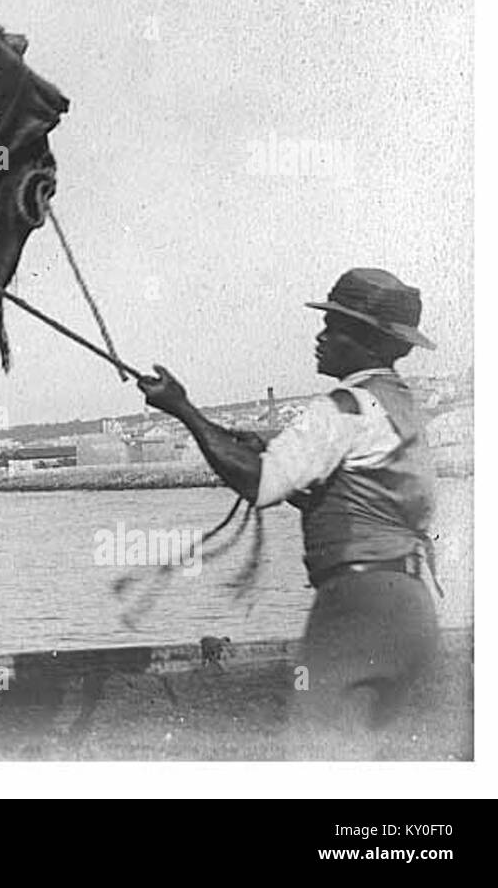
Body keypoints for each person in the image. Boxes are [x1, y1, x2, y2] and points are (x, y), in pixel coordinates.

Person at [136, 268, 440, 757]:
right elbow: (360, 498)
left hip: (354, 608)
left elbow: (260, 483)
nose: (320, 337)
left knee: (313, 755)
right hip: (412, 610)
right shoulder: (401, 407)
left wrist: (183, 410)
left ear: (364, 341)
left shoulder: (342, 407)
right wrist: (265, 449)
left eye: (334, 327)